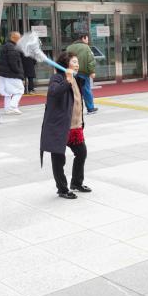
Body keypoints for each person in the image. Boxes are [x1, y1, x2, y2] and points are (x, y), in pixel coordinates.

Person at [40, 51, 91, 199]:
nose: (77, 65)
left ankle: (76, 182)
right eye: (74, 62)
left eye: (77, 62)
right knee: (58, 159)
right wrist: (67, 79)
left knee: (81, 153)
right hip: (60, 127)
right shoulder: (58, 78)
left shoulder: (77, 79)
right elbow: (54, 92)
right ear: (66, 64)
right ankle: (62, 189)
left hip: (75, 127)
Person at [66, 34, 97, 114]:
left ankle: (73, 109)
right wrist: (92, 71)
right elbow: (90, 60)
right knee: (86, 90)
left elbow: (65, 60)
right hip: (83, 72)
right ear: (83, 38)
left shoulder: (69, 47)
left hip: (72, 73)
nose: (88, 40)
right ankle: (90, 108)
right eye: (87, 38)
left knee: (74, 91)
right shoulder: (86, 47)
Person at [0, 31, 25, 115]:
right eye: (19, 38)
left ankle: (8, 108)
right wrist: (18, 72)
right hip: (11, 74)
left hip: (4, 73)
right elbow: (13, 62)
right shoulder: (12, 47)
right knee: (20, 90)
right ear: (13, 37)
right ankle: (13, 106)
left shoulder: (6, 46)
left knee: (7, 92)